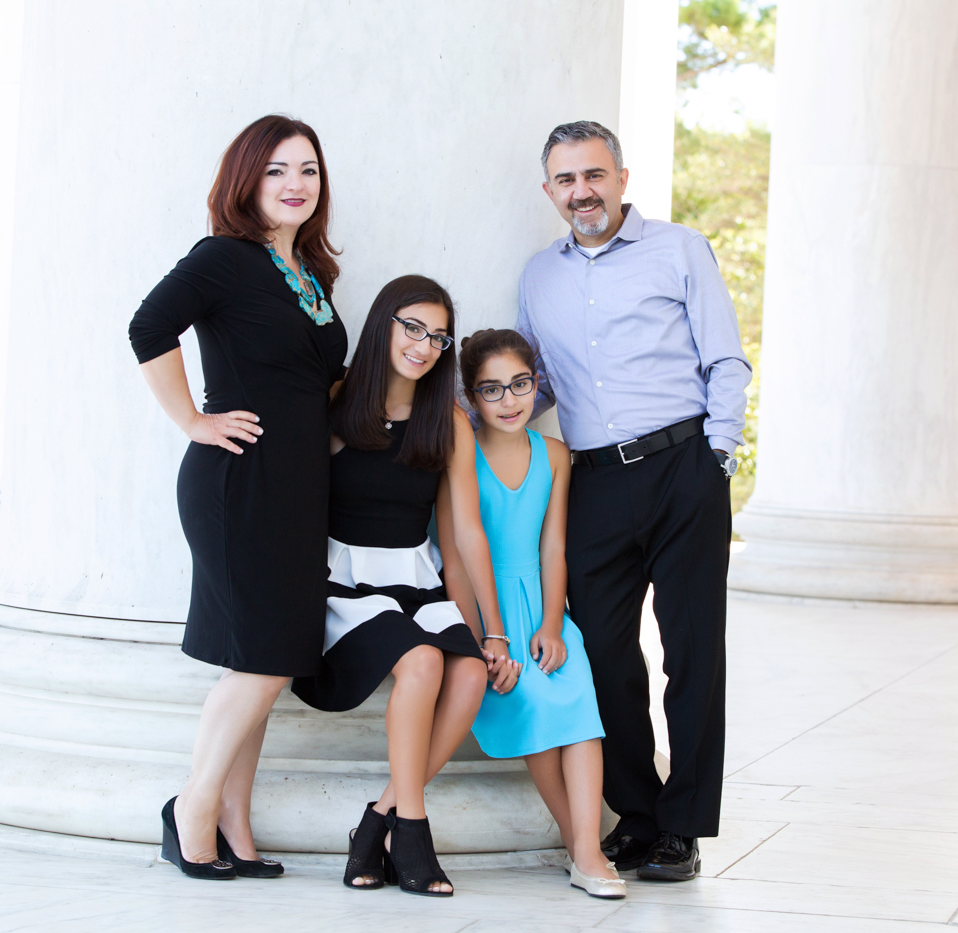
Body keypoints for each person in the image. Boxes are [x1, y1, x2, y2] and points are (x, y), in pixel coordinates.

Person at [516, 121, 751, 882]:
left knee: (691, 651)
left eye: (593, 175)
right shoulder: (538, 276)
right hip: (594, 481)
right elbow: (538, 382)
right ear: (549, 190)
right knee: (604, 655)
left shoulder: (679, 249)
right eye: (565, 180)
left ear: (621, 177)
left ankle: (683, 827)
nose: (581, 191)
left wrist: (716, 458)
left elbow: (726, 357)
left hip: (682, 464)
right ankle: (637, 814)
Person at [128, 114, 347, 880]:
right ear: (246, 181)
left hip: (296, 489)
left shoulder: (310, 274)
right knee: (260, 659)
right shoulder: (223, 258)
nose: (295, 185)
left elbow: (310, 382)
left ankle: (234, 823)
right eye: (277, 170)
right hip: (239, 483)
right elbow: (148, 325)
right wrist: (192, 419)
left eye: (308, 170)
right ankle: (191, 808)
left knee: (268, 656)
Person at [294, 275, 521, 897]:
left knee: (470, 672)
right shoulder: (337, 402)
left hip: (413, 581)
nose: (424, 345)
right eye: (412, 328)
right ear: (384, 326)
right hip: (345, 584)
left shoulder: (446, 418)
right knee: (421, 663)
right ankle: (413, 828)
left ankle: (378, 821)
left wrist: (491, 631)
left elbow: (466, 535)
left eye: (438, 336)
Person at [449, 329, 624, 900]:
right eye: (491, 390)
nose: (509, 401)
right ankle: (584, 847)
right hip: (484, 612)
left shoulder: (553, 455)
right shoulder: (459, 453)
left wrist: (552, 623)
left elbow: (553, 546)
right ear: (471, 397)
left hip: (540, 605)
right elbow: (454, 556)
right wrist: (478, 637)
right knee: (531, 703)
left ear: (536, 383)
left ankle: (587, 849)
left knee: (577, 699)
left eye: (519, 384)